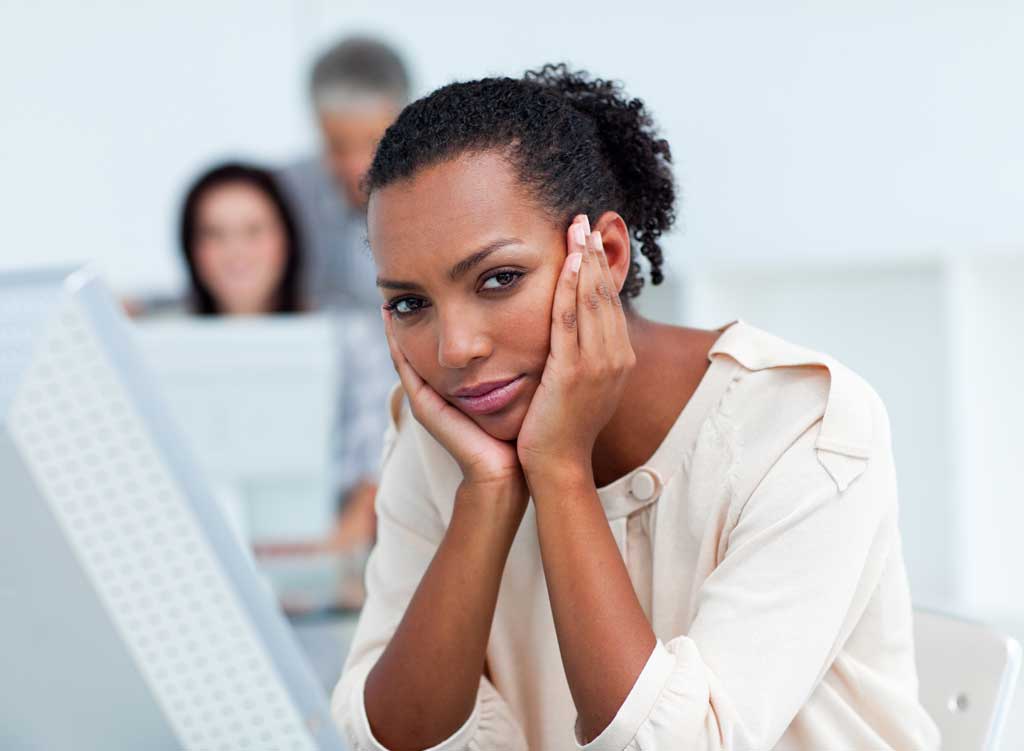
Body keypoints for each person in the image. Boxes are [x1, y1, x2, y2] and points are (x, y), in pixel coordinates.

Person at [331, 64, 941, 750]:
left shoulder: (803, 428)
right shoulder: (444, 433)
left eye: (498, 279)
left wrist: (558, 468)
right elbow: (391, 736)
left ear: (608, 255)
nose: (454, 348)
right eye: (410, 303)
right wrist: (489, 492)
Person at [277, 35, 411, 313]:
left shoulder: (442, 192)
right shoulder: (278, 197)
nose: (356, 166)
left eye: (374, 143)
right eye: (337, 146)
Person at [179, 161, 304, 315]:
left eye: (253, 231)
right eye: (215, 234)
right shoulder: (158, 332)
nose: (235, 251)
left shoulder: (331, 331)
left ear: (287, 239)